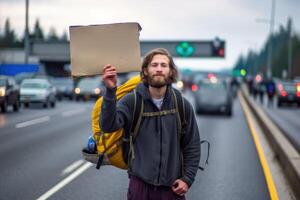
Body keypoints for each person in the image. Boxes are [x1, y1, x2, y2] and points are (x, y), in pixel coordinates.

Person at [100, 48, 201, 200]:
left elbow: (192, 145)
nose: (159, 69)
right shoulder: (132, 101)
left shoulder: (181, 104)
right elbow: (108, 126)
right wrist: (110, 90)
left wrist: (187, 179)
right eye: (154, 65)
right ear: (145, 71)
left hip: (172, 189)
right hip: (140, 187)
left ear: (171, 71)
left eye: (163, 65)